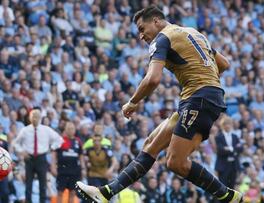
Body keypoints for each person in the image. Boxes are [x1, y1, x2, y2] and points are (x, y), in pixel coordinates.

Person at [75, 5, 243, 203]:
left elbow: (153, 79)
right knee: (151, 144)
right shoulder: (193, 33)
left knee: (175, 162)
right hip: (199, 97)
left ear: (156, 21)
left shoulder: (162, 38)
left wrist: (132, 102)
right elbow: (223, 64)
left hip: (199, 99)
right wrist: (205, 80)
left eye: (141, 28)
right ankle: (105, 193)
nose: (141, 35)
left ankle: (230, 197)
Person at [13, 109, 63, 203]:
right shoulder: (25, 130)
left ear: (40, 118)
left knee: (42, 185)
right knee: (28, 184)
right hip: (29, 158)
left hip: (41, 158)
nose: (35, 118)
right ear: (30, 118)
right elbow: (15, 143)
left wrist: (52, 148)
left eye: (37, 116)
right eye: (33, 116)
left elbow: (59, 140)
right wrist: (22, 152)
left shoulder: (46, 130)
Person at [51, 122, 85, 203]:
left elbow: (81, 156)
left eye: (72, 128)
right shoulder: (60, 140)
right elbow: (54, 153)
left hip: (74, 171)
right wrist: (53, 166)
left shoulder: (78, 141)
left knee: (72, 192)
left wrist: (83, 168)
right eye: (69, 128)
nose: (71, 130)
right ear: (65, 129)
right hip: (62, 170)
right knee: (60, 192)